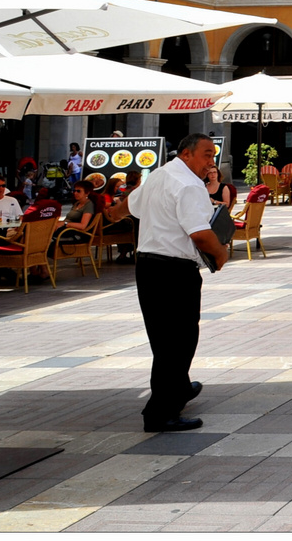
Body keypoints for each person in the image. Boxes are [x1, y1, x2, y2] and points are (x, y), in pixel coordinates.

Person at [104, 132, 228, 433]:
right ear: (186, 154)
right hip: (174, 270)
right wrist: (221, 254)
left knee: (166, 337)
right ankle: (161, 412)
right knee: (177, 341)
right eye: (206, 155)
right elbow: (199, 233)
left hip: (148, 266)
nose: (211, 162)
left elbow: (126, 207)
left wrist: (110, 213)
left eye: (213, 156)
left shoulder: (159, 176)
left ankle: (179, 388)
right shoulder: (188, 185)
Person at [48, 181, 99, 257]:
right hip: (66, 229)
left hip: (75, 234)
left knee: (45, 236)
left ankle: (41, 264)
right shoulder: (77, 203)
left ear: (87, 193)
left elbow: (83, 226)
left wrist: (65, 224)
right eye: (74, 190)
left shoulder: (89, 205)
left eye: (78, 191)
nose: (75, 193)